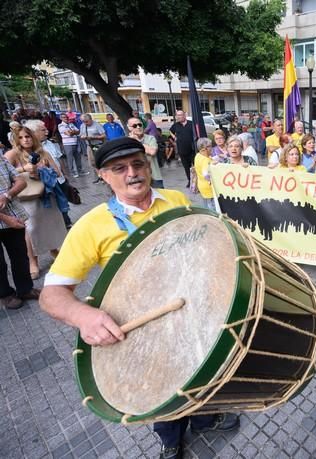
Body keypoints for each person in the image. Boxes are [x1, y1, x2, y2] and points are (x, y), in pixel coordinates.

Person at [38, 137, 240, 458]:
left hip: (192, 310)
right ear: (103, 176)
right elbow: (52, 295)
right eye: (119, 168)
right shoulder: (91, 226)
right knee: (163, 386)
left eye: (137, 164)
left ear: (148, 166)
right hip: (147, 331)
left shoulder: (174, 199)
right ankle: (170, 438)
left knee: (203, 368)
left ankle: (203, 419)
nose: (132, 173)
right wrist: (83, 316)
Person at [5, 127, 68, 279]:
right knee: (31, 230)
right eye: (21, 137)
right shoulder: (12, 154)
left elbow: (57, 172)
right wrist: (23, 169)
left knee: (51, 225)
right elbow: (4, 175)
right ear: (16, 139)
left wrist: (44, 168)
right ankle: (33, 262)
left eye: (28, 136)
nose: (25, 139)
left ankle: (54, 250)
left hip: (46, 195)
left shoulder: (42, 152)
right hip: (26, 198)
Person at [0, 156, 39, 309]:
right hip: (8, 218)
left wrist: (7, 196)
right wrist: (5, 218)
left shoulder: (1, 158)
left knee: (20, 255)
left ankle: (25, 289)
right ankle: (5, 294)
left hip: (13, 214)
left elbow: (21, 181)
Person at [24, 119, 72, 229]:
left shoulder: (49, 143)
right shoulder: (30, 151)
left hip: (60, 180)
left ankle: (66, 223)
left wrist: (65, 175)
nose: (46, 132)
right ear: (33, 132)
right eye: (43, 130)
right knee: (55, 209)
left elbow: (59, 160)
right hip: (48, 185)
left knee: (63, 204)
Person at [128, 117, 163, 188]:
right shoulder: (127, 141)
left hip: (154, 176)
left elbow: (152, 152)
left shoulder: (150, 138)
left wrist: (137, 141)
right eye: (135, 126)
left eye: (140, 125)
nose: (138, 127)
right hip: (137, 178)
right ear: (130, 128)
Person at [169, 110, 195, 187]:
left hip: (192, 150)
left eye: (180, 115)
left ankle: (197, 181)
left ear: (184, 115)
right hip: (182, 151)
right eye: (177, 115)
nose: (179, 117)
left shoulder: (191, 124)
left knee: (195, 167)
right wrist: (174, 137)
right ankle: (190, 181)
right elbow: (170, 131)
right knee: (187, 168)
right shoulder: (176, 125)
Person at [80, 114, 106, 182]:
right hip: (89, 146)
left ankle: (105, 175)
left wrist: (93, 137)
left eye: (87, 121)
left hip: (98, 145)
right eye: (84, 121)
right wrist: (83, 137)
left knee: (100, 161)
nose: (86, 123)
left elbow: (104, 136)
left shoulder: (97, 125)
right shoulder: (83, 126)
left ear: (91, 119)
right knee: (92, 162)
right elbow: (81, 135)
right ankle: (100, 176)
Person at [58, 113, 84, 178]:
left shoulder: (71, 124)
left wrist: (72, 132)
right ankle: (72, 173)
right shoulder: (60, 125)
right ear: (61, 118)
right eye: (64, 117)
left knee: (78, 157)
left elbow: (78, 131)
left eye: (66, 117)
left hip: (75, 142)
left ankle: (80, 171)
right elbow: (69, 134)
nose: (66, 118)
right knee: (70, 159)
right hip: (67, 144)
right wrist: (73, 132)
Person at [194, 137, 215, 210]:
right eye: (210, 146)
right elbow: (206, 175)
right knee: (212, 209)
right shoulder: (206, 160)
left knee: (207, 206)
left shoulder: (198, 155)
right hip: (209, 188)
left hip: (202, 185)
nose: (211, 148)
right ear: (205, 148)